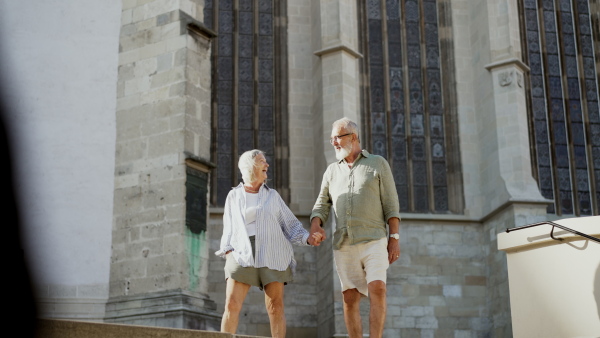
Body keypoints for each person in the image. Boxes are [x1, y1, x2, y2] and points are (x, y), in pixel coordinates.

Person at [216, 149, 323, 338]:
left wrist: (308, 238)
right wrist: (228, 251)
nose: (267, 165)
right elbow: (228, 227)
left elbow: (290, 224)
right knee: (231, 304)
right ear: (250, 166)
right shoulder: (234, 196)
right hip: (241, 252)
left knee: (275, 306)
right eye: (262, 161)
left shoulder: (272, 196)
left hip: (272, 252)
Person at [310, 117, 401, 338]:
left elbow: (391, 203)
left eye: (337, 138)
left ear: (353, 137)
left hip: (374, 238)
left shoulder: (377, 163)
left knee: (378, 288)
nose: (333, 143)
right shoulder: (331, 171)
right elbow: (321, 204)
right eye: (331, 139)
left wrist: (394, 237)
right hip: (344, 242)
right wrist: (315, 226)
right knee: (349, 297)